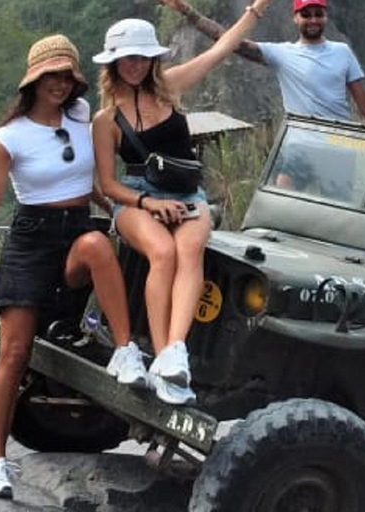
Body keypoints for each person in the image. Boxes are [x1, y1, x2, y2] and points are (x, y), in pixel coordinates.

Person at [0, 35, 144, 500]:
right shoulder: (9, 136)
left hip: (77, 232)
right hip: (31, 242)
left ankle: (125, 351)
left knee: (99, 244)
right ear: (33, 80)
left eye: (66, 75)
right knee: (15, 354)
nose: (58, 83)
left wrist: (132, 210)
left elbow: (96, 180)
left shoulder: (83, 117)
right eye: (50, 75)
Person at [91, 2, 275, 406]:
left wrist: (255, 12)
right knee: (163, 251)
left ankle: (175, 355)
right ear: (114, 64)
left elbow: (219, 51)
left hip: (187, 192)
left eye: (141, 57)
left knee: (189, 249)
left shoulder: (170, 87)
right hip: (137, 196)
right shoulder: (105, 121)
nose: (135, 65)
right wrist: (149, 203)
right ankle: (160, 354)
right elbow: (106, 184)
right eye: (127, 59)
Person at [157, 0, 365, 125]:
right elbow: (229, 40)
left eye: (317, 14)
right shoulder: (281, 53)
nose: (312, 20)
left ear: (326, 17)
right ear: (295, 18)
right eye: (306, 14)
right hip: (298, 146)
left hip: (340, 144)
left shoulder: (342, 52)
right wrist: (188, 12)